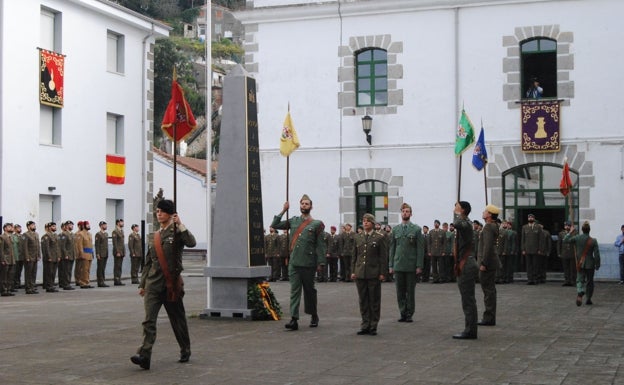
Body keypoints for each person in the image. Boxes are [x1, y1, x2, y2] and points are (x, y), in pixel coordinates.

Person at [131, 199, 196, 370]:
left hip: (171, 284)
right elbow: (148, 262)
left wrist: (180, 224)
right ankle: (144, 355)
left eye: (162, 211)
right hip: (153, 284)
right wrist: (143, 283)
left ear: (170, 213)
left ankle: (185, 348)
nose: (158, 213)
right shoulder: (155, 236)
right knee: (148, 320)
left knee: (177, 320)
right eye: (157, 211)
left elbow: (191, 242)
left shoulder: (176, 232)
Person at [271, 194, 326, 331]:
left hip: (308, 263)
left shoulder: (316, 224)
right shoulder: (294, 221)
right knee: (294, 291)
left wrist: (321, 262)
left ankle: (314, 315)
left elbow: (320, 245)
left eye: (307, 204)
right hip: (294, 262)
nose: (304, 206)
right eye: (302, 204)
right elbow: (275, 225)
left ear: (311, 206)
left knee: (309, 291)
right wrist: (284, 210)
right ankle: (294, 319)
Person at [351, 213, 387, 335]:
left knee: (374, 300)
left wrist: (382, 272)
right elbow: (354, 256)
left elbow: (383, 257)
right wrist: (353, 271)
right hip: (360, 273)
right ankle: (365, 324)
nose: (365, 223)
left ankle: (373, 325)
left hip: (373, 273)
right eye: (364, 221)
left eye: (368, 221)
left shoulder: (379, 237)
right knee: (363, 300)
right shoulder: (358, 237)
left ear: (372, 223)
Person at [389, 203, 424, 323]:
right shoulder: (395, 229)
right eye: (403, 211)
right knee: (400, 291)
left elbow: (420, 249)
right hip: (398, 264)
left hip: (410, 265)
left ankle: (409, 313)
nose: (405, 213)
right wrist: (391, 265)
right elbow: (392, 248)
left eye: (407, 211)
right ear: (401, 213)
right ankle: (402, 312)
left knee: (410, 291)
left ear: (411, 214)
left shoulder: (416, 229)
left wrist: (419, 265)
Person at [452, 201, 478, 340]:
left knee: (468, 300)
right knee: (467, 299)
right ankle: (470, 328)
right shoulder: (466, 223)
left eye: (456, 206)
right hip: (465, 263)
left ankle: (470, 330)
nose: (454, 208)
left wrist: (456, 214)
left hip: (466, 264)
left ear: (462, 210)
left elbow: (457, 224)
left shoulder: (466, 223)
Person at [564, 221, 600, 306]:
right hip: (590, 264)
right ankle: (588, 298)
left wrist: (570, 232)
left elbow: (565, 240)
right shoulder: (593, 241)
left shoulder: (577, 238)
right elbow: (597, 254)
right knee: (590, 282)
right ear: (589, 230)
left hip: (580, 263)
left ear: (582, 230)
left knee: (579, 280)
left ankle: (580, 291)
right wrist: (597, 264)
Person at [477, 205, 500, 327]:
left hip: (488, 263)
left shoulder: (488, 227)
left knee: (488, 291)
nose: (483, 212)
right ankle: (490, 316)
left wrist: (483, 263)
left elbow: (487, 247)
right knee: (490, 290)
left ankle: (489, 317)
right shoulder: (493, 226)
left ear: (490, 215)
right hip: (491, 262)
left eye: (485, 211)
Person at [522, 214, 543, 285]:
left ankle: (535, 279)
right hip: (527, 249)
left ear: (534, 218)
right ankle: (529, 279)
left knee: (535, 265)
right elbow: (523, 239)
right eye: (529, 217)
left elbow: (540, 239)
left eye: (531, 217)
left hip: (535, 249)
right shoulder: (524, 227)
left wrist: (540, 249)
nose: (530, 218)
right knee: (528, 265)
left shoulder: (538, 227)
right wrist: (523, 249)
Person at [40, 222, 61, 293]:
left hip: (55, 257)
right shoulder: (46, 236)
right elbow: (46, 248)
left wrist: (58, 256)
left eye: (55, 226)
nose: (55, 227)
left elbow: (57, 247)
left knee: (53, 272)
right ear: (49, 228)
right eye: (53, 226)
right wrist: (49, 257)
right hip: (50, 257)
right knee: (49, 272)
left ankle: (51, 285)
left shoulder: (55, 236)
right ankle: (48, 286)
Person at [22, 221, 41, 295]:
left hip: (35, 257)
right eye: (32, 225)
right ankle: (28, 288)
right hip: (29, 257)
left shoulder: (36, 234)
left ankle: (32, 287)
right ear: (28, 226)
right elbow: (25, 247)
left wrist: (39, 255)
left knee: (34, 273)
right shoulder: (25, 235)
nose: (34, 226)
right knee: (28, 273)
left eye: (34, 225)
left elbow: (38, 246)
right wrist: (27, 257)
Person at [74, 221, 95, 289]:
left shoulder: (89, 234)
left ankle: (87, 282)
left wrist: (92, 253)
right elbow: (79, 245)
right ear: (84, 226)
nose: (89, 226)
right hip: (84, 254)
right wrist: (81, 253)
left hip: (89, 253)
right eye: (87, 225)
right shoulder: (80, 234)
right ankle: (83, 283)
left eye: (89, 225)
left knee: (88, 269)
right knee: (84, 269)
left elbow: (91, 245)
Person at [558, 221, 577, 286]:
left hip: (572, 253)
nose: (567, 227)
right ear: (564, 226)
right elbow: (559, 244)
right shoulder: (561, 234)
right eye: (566, 226)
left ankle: (573, 281)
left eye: (568, 226)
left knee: (573, 268)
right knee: (566, 268)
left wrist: (572, 231)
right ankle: (567, 281)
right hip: (564, 253)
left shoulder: (574, 233)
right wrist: (559, 252)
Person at [58, 221, 76, 291]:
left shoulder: (72, 234)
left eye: (72, 225)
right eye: (70, 225)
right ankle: (65, 284)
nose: (71, 226)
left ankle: (68, 283)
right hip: (67, 255)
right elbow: (63, 246)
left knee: (69, 270)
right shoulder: (64, 234)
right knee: (66, 270)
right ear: (66, 226)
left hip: (72, 255)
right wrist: (65, 254)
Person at [1, 223, 16, 297]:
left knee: (10, 275)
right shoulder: (2, 237)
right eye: (9, 227)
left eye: (11, 227)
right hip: (5, 259)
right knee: (4, 276)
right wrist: (2, 259)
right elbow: (1, 250)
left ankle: (8, 289)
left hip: (11, 259)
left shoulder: (11, 237)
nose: (11, 228)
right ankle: (4, 290)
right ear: (5, 228)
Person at [95, 221, 110, 287]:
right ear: (101, 226)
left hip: (105, 253)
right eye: (104, 225)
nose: (106, 226)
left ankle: (103, 280)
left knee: (103, 268)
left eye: (106, 225)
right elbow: (97, 245)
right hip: (100, 253)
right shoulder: (98, 234)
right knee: (100, 268)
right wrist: (97, 253)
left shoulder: (106, 234)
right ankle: (100, 281)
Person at [112, 219, 126, 286]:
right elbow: (115, 243)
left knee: (119, 266)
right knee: (117, 266)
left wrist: (124, 251)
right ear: (118, 223)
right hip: (118, 252)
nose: (122, 223)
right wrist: (117, 251)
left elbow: (122, 243)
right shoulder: (115, 231)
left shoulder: (121, 231)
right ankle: (116, 280)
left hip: (121, 252)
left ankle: (119, 279)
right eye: (121, 222)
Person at [11, 224, 23, 291]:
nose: (19, 229)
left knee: (19, 272)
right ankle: (13, 285)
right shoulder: (12, 236)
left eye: (20, 228)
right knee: (14, 272)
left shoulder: (22, 236)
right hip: (15, 256)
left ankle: (18, 283)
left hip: (21, 257)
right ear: (15, 229)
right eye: (18, 228)